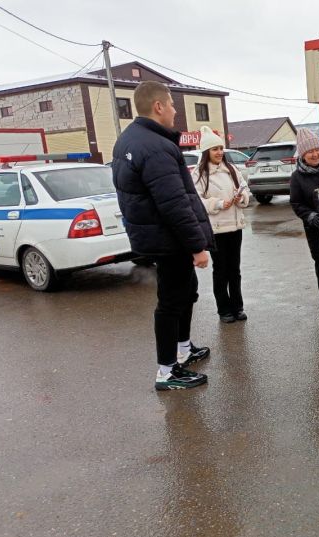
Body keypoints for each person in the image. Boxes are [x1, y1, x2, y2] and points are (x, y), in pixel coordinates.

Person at [113, 81, 214, 391]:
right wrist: (197, 246)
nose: (174, 112)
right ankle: (167, 371)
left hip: (157, 237)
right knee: (171, 302)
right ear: (158, 107)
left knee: (187, 292)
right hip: (168, 240)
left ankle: (183, 349)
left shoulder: (129, 140)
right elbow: (174, 204)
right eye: (171, 105)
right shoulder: (155, 147)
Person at [193, 126, 250, 324]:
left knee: (235, 269)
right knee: (221, 270)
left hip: (235, 227)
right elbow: (196, 199)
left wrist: (241, 197)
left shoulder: (232, 170)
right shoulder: (199, 174)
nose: (219, 152)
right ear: (206, 152)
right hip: (216, 230)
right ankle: (224, 309)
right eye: (214, 149)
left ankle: (238, 306)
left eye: (220, 148)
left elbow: (245, 189)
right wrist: (217, 203)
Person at [290, 128, 319, 311]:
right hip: (316, 229)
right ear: (302, 154)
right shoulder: (297, 177)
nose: (315, 154)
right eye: (310, 151)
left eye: (317, 149)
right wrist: (310, 216)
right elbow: (296, 203)